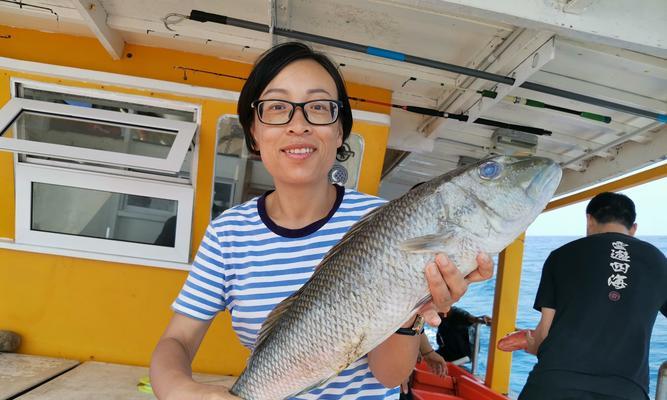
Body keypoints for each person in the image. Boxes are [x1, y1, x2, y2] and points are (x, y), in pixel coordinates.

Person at [149, 42, 493, 400]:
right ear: (253, 130)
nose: (298, 124)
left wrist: (414, 312)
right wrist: (179, 389)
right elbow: (176, 340)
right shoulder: (228, 234)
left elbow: (390, 376)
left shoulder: (386, 222)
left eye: (318, 107)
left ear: (340, 131)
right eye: (278, 107)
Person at [519, 192, 667, 400]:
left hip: (555, 384)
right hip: (626, 390)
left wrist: (533, 346)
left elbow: (544, 332)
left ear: (589, 219)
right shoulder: (659, 262)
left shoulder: (562, 255)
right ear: (633, 228)